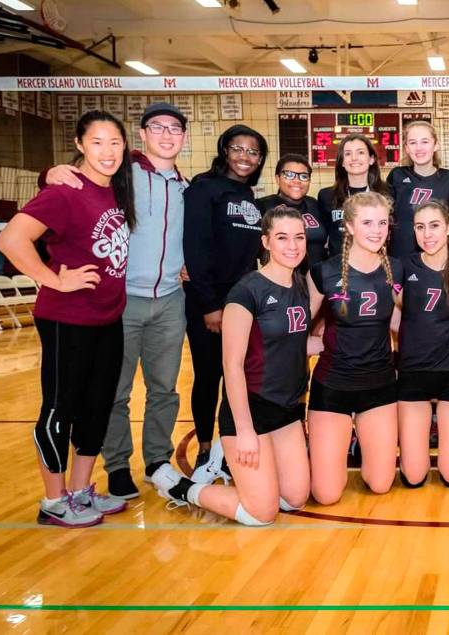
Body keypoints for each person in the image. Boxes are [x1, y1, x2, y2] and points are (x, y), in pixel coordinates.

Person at [43, 101, 190, 499]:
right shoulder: (121, 172)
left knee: (165, 389)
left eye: (174, 129)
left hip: (171, 301)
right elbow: (72, 181)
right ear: (141, 135)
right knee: (115, 392)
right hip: (122, 300)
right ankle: (118, 465)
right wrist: (51, 171)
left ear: (184, 138)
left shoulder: (184, 186)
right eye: (157, 127)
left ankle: (158, 460)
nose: (166, 134)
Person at [0, 110, 136, 527]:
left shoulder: (115, 190)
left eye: (114, 142)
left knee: (97, 407)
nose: (107, 151)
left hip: (108, 317)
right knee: (61, 407)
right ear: (79, 145)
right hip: (68, 319)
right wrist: (53, 279)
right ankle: (53, 501)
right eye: (96, 142)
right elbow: (11, 239)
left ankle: (79, 491)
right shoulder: (64, 191)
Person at [153, 205, 312, 524]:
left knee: (294, 499)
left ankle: (236, 469)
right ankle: (184, 488)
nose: (292, 245)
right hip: (249, 410)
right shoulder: (246, 291)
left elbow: (294, 343)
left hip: (287, 409)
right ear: (266, 242)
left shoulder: (300, 286)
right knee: (262, 514)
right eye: (282, 238)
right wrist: (245, 431)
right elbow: (232, 365)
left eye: (299, 237)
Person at [307, 191, 401, 504]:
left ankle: (365, 443)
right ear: (348, 226)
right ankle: (339, 443)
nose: (376, 230)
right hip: (332, 385)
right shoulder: (323, 272)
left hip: (379, 386)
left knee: (380, 484)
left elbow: (403, 325)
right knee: (327, 494)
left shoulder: (397, 271)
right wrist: (309, 343)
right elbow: (296, 324)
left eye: (382, 223)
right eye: (367, 222)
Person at [183, 125, 268, 471]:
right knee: (208, 376)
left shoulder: (249, 197)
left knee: (238, 375)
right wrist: (209, 306)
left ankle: (229, 444)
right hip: (210, 303)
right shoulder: (204, 189)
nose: (245, 157)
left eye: (253, 152)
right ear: (224, 150)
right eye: (238, 149)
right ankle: (205, 447)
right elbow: (196, 249)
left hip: (242, 304)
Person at [395, 200, 449, 487]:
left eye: (434, 225)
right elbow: (391, 314)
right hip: (413, 374)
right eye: (420, 227)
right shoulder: (403, 268)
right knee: (414, 477)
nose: (427, 234)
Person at [386, 121, 449, 258]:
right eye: (412, 143)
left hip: (436, 256)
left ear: (436, 145)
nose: (419, 148)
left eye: (424, 142)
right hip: (400, 255)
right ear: (406, 148)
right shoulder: (397, 175)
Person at [317, 133, 390, 259]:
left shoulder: (387, 193)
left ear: (371, 159)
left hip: (377, 266)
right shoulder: (326, 196)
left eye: (360, 152)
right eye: (348, 154)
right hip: (338, 267)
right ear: (342, 162)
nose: (354, 158)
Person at [256, 154, 327, 271]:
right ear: (278, 179)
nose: (296, 180)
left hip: (318, 281)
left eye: (303, 176)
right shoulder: (263, 206)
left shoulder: (313, 204)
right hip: (283, 282)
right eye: (289, 175)